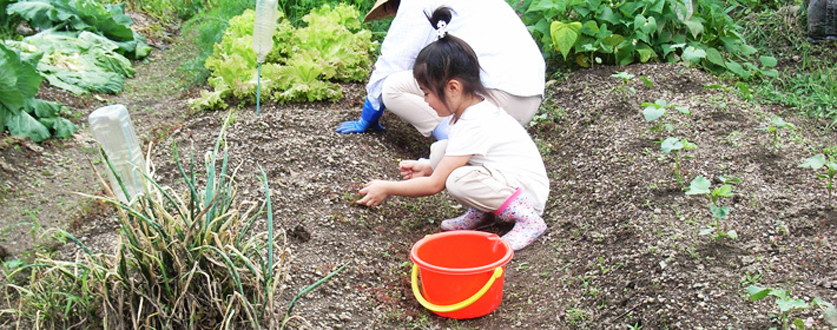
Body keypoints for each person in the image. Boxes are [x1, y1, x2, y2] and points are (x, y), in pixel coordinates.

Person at [354, 7, 549, 251]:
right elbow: (459, 156)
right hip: (506, 178)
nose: (425, 100)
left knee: (457, 180)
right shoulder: (470, 109)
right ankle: (484, 212)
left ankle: (528, 221)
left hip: (526, 195)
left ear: (453, 88)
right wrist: (429, 166)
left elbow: (435, 185)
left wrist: (387, 187)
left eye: (427, 93)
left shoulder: (474, 121)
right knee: (440, 152)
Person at [335, 0, 545, 140]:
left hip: (496, 99)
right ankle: (477, 141)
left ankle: (464, 147)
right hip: (530, 97)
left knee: (392, 88)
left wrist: (368, 116)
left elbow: (395, 60)